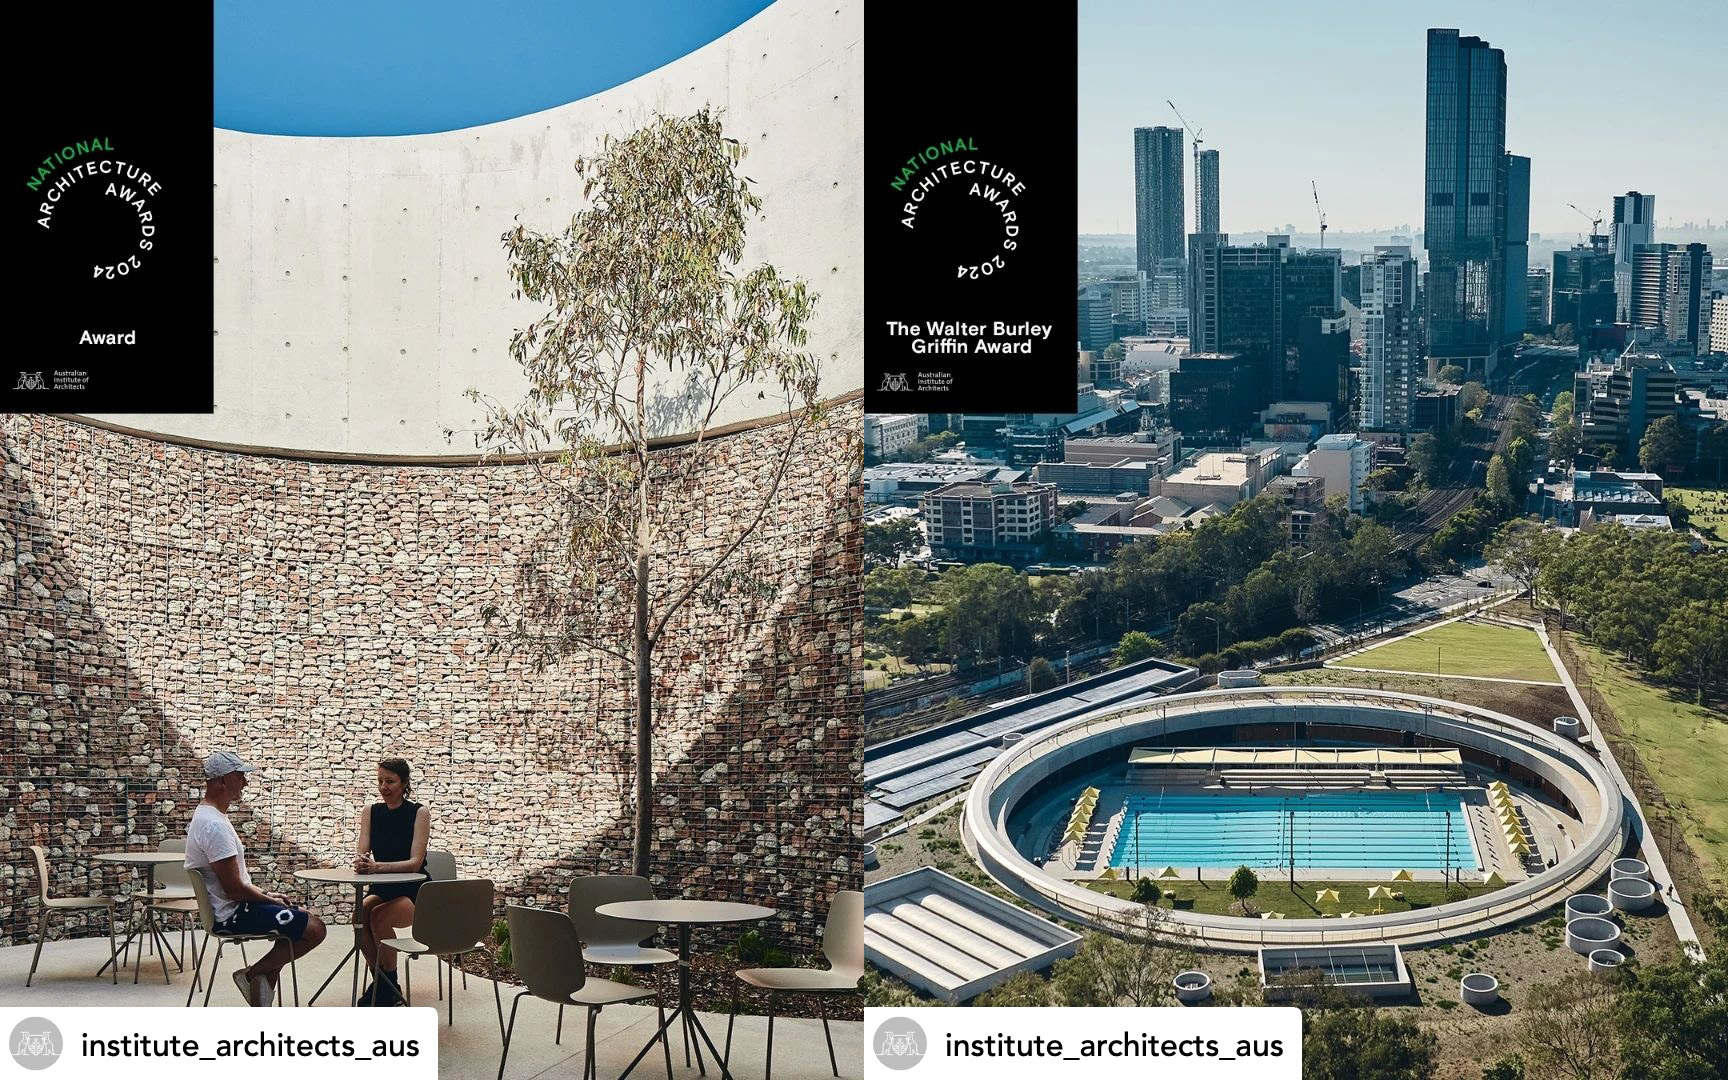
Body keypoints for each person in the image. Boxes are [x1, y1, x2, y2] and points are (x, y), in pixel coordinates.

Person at [184, 751, 328, 1006]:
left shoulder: (210, 817)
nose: (245, 782)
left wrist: (268, 897)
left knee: (303, 920)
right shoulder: (214, 826)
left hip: (232, 908)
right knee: (314, 930)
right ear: (222, 780)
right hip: (231, 915)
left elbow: (234, 884)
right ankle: (252, 974)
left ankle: (260, 999)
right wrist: (266, 898)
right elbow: (235, 891)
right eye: (240, 776)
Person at [354, 757, 430, 1006]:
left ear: (404, 783)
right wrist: (362, 862)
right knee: (359, 914)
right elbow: (362, 851)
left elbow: (415, 863)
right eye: (380, 781)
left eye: (390, 781)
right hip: (384, 886)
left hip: (413, 890)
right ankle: (387, 985)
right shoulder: (371, 811)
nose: (384, 787)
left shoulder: (419, 812)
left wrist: (376, 867)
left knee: (378, 917)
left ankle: (385, 986)